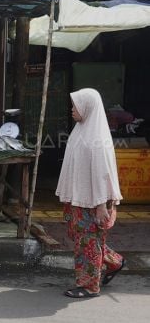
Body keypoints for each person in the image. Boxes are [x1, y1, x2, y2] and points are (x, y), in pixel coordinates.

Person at [57, 88, 125, 298]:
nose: (72, 109)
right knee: (87, 241)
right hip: (81, 198)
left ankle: (89, 286)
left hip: (94, 203)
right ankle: (115, 262)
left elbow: (102, 175)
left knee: (87, 244)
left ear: (87, 107)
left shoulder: (97, 140)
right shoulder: (82, 130)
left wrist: (101, 206)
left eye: (75, 105)